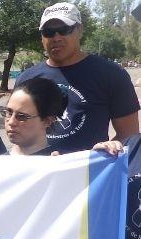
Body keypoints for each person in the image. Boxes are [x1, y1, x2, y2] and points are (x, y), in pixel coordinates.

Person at [14, 2, 139, 153]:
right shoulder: (26, 79)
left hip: (88, 173)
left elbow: (129, 134)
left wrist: (100, 155)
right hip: (39, 173)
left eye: (64, 29)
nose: (56, 37)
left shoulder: (111, 74)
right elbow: (18, 138)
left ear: (80, 31)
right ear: (42, 37)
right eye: (49, 32)